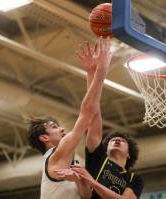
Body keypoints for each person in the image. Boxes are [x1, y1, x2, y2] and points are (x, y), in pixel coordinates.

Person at [55, 37, 144, 199]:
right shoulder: (98, 157)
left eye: (121, 141)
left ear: (129, 154)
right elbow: (93, 113)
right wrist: (92, 71)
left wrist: (93, 183)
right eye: (112, 140)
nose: (116, 140)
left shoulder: (134, 179)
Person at [26, 37, 113, 199]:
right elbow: (87, 111)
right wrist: (101, 69)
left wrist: (91, 72)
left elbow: (86, 196)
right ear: (44, 137)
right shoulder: (57, 155)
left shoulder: (69, 161)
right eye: (54, 127)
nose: (62, 129)